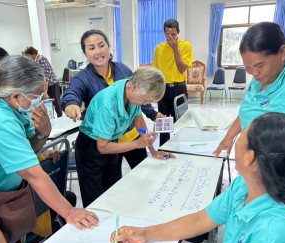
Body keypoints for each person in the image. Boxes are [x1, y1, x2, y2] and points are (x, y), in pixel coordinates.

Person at [109, 113, 285, 243]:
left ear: (250, 158)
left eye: (240, 138)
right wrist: (145, 233)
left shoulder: (274, 238)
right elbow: (203, 219)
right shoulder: (245, 185)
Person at [0, 55, 98, 232]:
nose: (45, 97)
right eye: (39, 94)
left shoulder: (12, 108)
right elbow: (34, 175)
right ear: (16, 96)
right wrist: (69, 212)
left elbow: (27, 148)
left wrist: (43, 134)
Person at [213, 22, 285, 206]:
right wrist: (230, 136)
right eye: (248, 67)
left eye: (259, 66)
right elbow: (250, 107)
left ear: (282, 53)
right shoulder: (264, 75)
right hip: (258, 169)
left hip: (283, 179)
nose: (254, 73)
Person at [61, 29, 165, 170]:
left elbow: (140, 98)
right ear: (85, 54)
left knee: (138, 174)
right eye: (91, 48)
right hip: (106, 140)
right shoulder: (84, 78)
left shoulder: (123, 70)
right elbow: (72, 92)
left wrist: (152, 116)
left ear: (108, 47)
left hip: (131, 134)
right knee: (105, 185)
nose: (98, 51)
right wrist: (71, 104)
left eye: (101, 45)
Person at [75, 67, 175, 207]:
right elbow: (102, 147)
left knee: (113, 192)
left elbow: (139, 121)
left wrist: (152, 150)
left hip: (111, 143)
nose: (146, 103)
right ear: (135, 87)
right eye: (146, 99)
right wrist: (137, 144)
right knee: (95, 201)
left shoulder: (129, 90)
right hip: (91, 148)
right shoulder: (107, 103)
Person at [152, 19, 193, 146]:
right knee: (163, 124)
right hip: (163, 90)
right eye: (167, 34)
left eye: (173, 34)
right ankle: (164, 150)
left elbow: (182, 69)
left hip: (178, 89)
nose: (170, 37)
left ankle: (180, 150)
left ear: (178, 32)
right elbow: (155, 72)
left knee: (180, 123)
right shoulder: (159, 48)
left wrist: (175, 49)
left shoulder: (186, 46)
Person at [24, 46, 63, 118]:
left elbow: (46, 74)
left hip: (52, 83)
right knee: (49, 103)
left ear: (33, 54)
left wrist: (46, 88)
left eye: (28, 55)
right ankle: (54, 117)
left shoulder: (41, 59)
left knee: (56, 103)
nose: (28, 58)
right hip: (47, 84)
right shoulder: (36, 60)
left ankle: (60, 117)